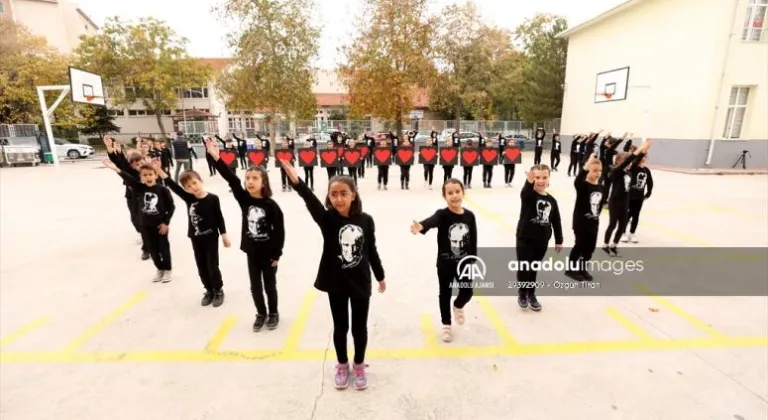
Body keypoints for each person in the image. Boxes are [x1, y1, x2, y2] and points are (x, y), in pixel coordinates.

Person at [279, 158, 386, 391]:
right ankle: (341, 364)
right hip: (335, 282)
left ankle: (358, 364)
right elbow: (310, 201)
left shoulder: (366, 220)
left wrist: (380, 275)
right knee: (340, 327)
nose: (338, 198)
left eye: (343, 193)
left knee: (359, 328)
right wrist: (298, 183)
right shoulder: (327, 220)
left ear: (353, 195)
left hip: (360, 282)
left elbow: (371, 250)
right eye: (333, 194)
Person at [206, 139, 285, 331]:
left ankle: (273, 313)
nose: (250, 181)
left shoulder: (271, 206)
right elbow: (232, 179)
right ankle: (261, 313)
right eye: (248, 178)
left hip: (269, 254)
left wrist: (277, 254)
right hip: (252, 252)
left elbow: (280, 232)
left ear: (264, 182)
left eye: (255, 178)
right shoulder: (245, 200)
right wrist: (216, 158)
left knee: (270, 286)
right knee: (255, 287)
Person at [153, 162, 230, 307]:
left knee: (212, 265)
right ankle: (208, 290)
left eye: (195, 183)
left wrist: (224, 234)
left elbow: (219, 217)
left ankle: (218, 290)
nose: (193, 187)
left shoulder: (213, 198)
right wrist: (159, 171)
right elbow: (172, 185)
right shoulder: (189, 198)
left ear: (201, 181)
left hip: (211, 237)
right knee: (201, 265)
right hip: (196, 237)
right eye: (188, 186)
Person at [411, 178, 476, 342]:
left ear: (463, 193)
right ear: (444, 196)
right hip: (445, 264)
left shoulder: (470, 216)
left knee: (467, 291)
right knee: (445, 294)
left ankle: (458, 305)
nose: (454, 196)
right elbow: (432, 221)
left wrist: (473, 258)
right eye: (450, 193)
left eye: (457, 192)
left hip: (464, 263)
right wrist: (421, 226)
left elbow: (473, 238)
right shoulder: (443, 214)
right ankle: (446, 324)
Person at [102, 157, 175, 283]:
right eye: (145, 175)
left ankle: (167, 269)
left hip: (160, 225)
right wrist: (116, 169)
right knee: (152, 249)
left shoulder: (163, 190)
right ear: (141, 177)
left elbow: (171, 207)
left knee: (163, 248)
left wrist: (166, 222)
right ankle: (159, 269)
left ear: (156, 175)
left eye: (150, 174)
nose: (148, 177)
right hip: (145, 225)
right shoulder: (140, 188)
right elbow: (128, 179)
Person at [515, 164, 563, 311]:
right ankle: (522, 292)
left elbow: (556, 220)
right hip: (525, 238)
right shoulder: (528, 196)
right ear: (532, 178)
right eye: (537, 177)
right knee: (525, 267)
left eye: (544, 177)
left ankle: (531, 294)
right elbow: (525, 193)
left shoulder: (552, 200)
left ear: (549, 179)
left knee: (533, 268)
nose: (541, 181)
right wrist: (528, 182)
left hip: (542, 240)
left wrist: (559, 239)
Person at [104, 138, 151, 261]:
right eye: (136, 164)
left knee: (145, 223)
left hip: (146, 200)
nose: (139, 166)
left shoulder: (147, 170)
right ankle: (144, 235)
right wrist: (110, 149)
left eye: (140, 163)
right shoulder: (129, 170)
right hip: (132, 198)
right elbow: (120, 162)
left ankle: (147, 248)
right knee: (136, 221)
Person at [602, 141, 651, 256]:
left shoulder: (629, 171)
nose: (629, 163)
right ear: (618, 161)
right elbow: (629, 161)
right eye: (626, 161)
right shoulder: (616, 171)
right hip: (615, 201)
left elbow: (635, 160)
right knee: (612, 224)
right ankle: (605, 245)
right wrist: (639, 149)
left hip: (625, 202)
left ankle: (614, 245)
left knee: (622, 224)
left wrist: (644, 151)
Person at [565, 153, 604, 281]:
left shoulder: (601, 187)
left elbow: (600, 205)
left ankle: (582, 268)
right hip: (581, 223)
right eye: (594, 171)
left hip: (594, 223)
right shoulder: (582, 186)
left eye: (599, 170)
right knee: (580, 245)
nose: (597, 173)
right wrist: (588, 163)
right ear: (588, 171)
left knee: (590, 248)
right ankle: (570, 270)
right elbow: (578, 178)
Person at [623, 151, 653, 243]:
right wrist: (642, 152)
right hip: (630, 196)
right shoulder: (633, 168)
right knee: (628, 215)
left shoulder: (646, 170)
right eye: (642, 157)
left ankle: (632, 233)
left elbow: (650, 182)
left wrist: (648, 192)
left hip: (639, 197)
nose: (643, 158)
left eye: (645, 157)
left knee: (636, 215)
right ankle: (623, 232)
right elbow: (636, 161)